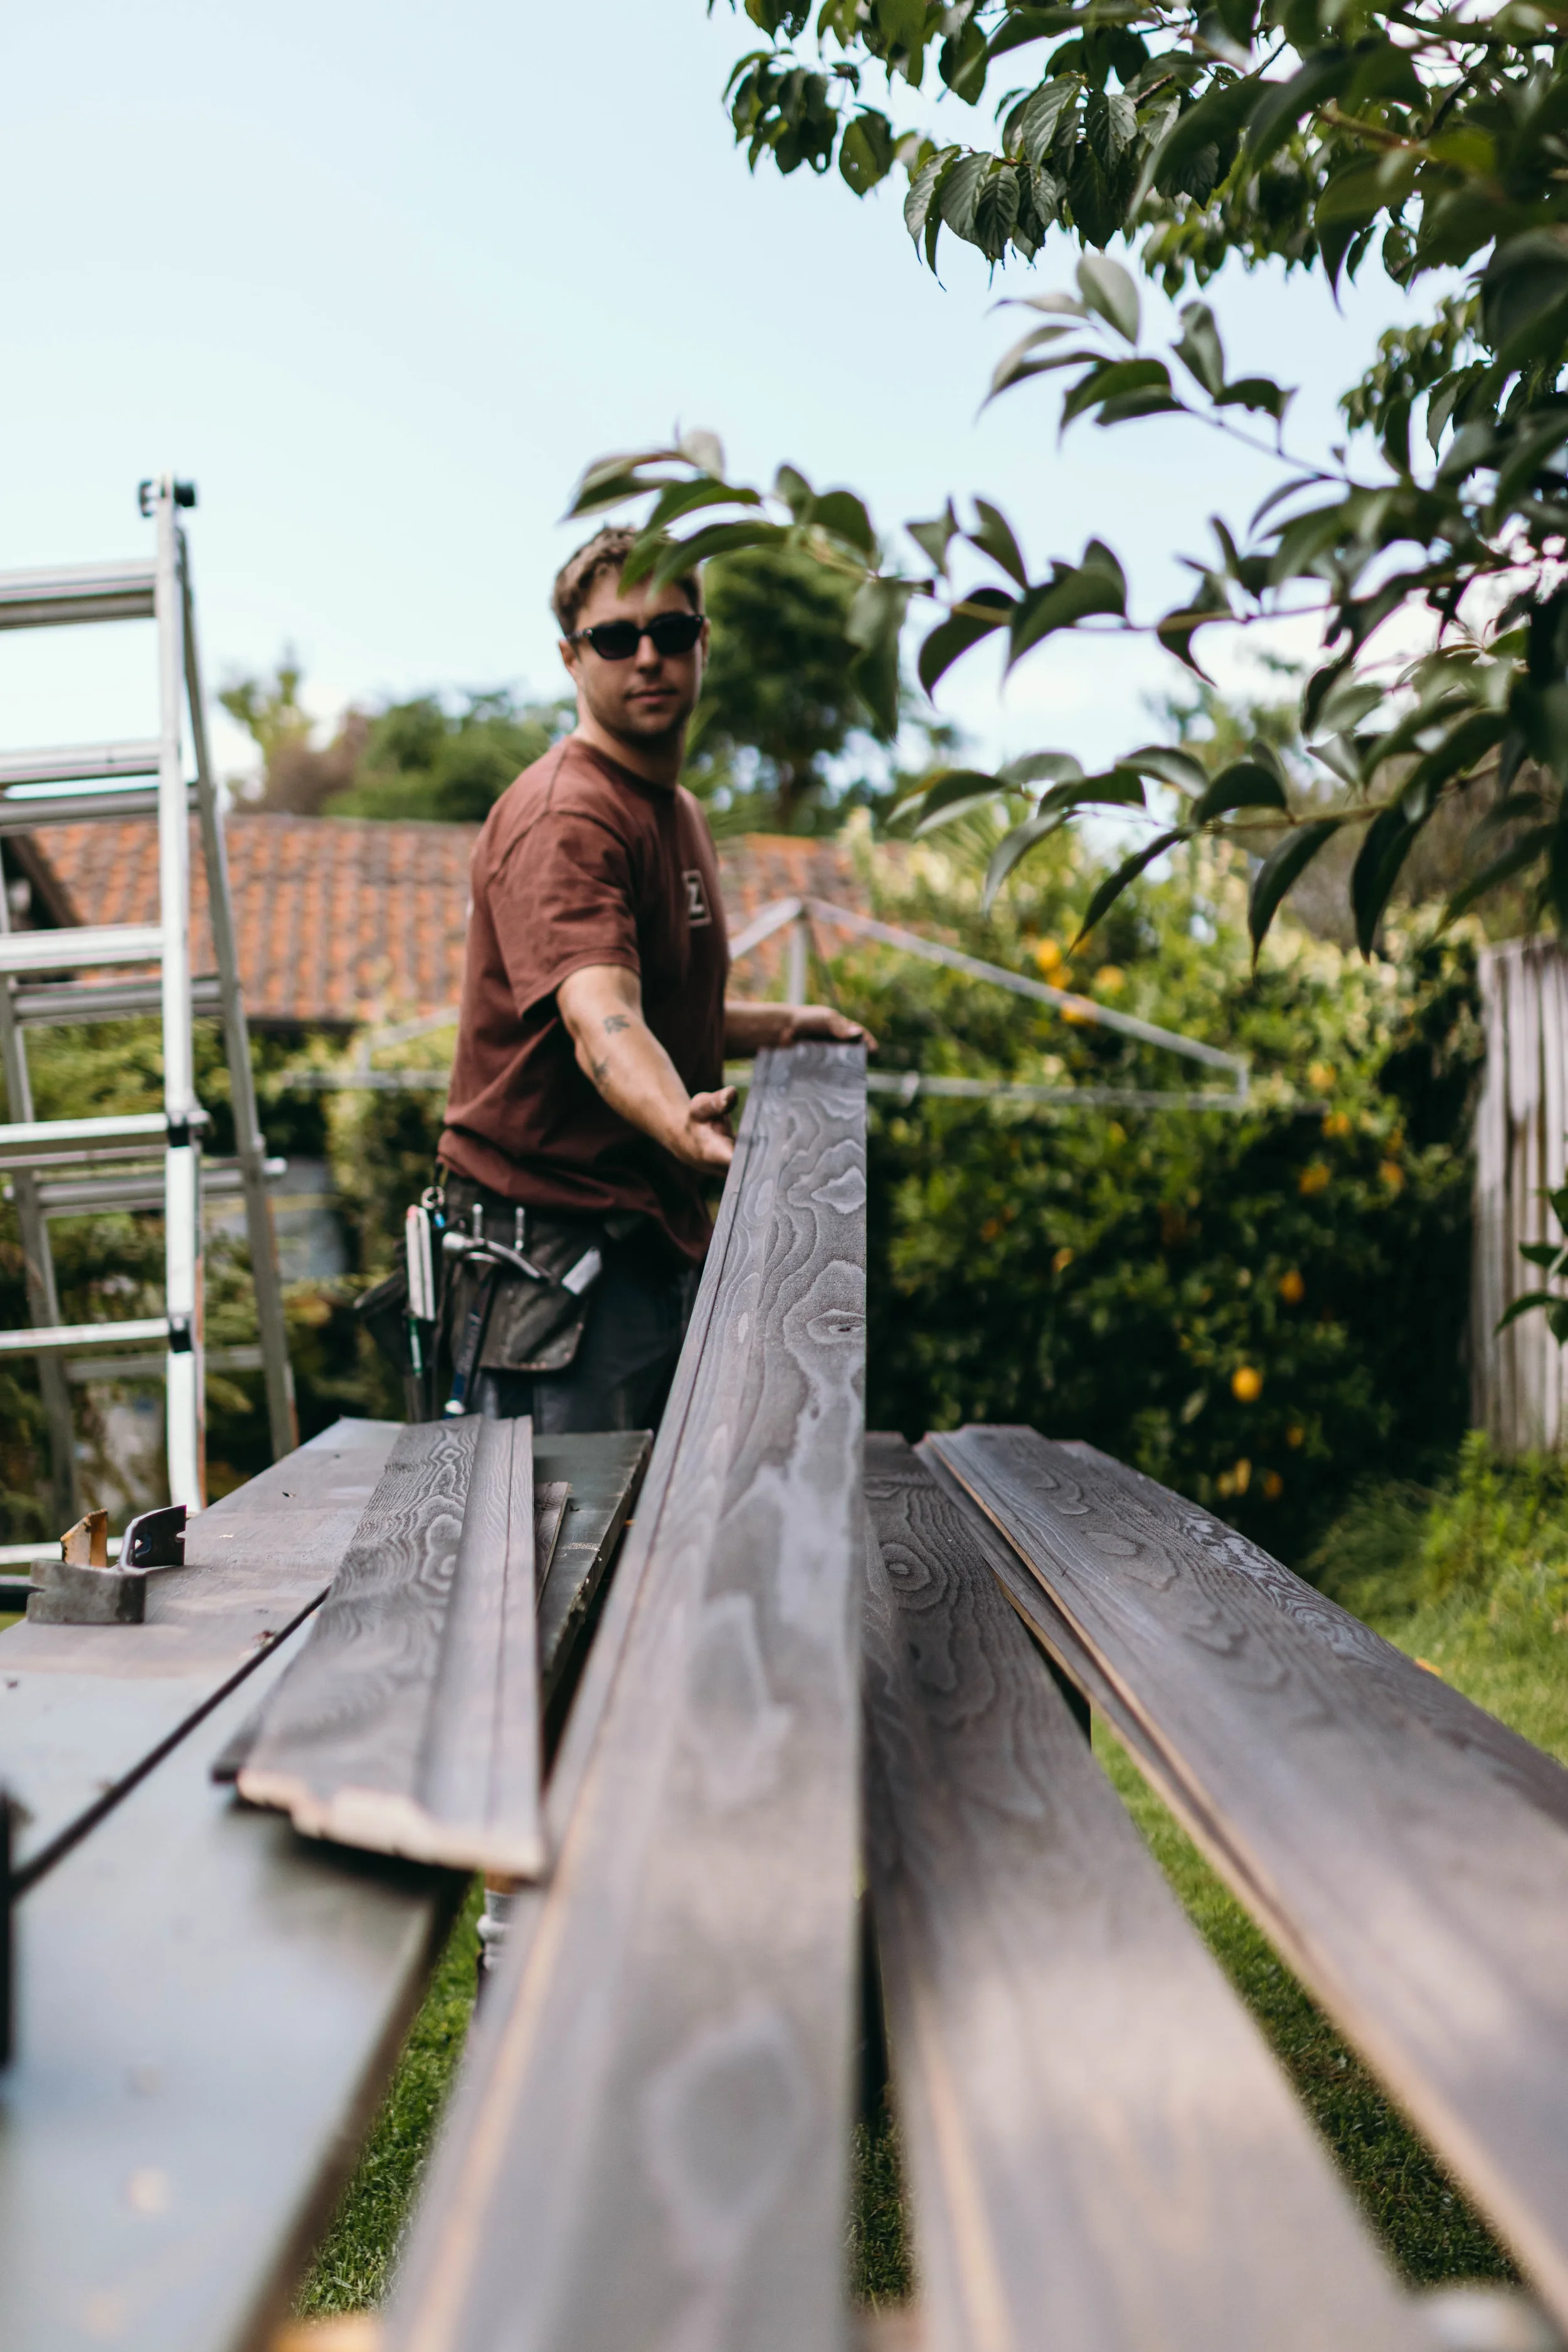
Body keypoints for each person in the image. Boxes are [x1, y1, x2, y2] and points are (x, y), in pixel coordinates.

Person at [435, 524, 872, 1432]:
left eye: (672, 633)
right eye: (615, 637)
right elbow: (602, 1020)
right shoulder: (568, 816)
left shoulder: (676, 811)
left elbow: (658, 1004)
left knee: (657, 1548)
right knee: (561, 1562)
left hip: (645, 1243)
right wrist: (680, 1119)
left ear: (702, 643)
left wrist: (786, 1026)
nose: (648, 657)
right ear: (570, 656)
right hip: (555, 1273)